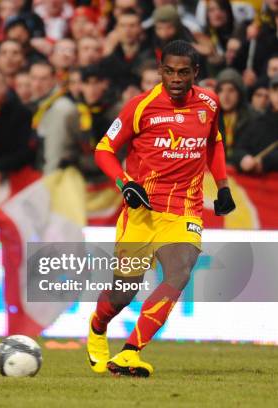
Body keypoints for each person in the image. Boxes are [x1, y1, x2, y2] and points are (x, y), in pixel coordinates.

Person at [87, 40, 235, 376]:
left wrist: (222, 186)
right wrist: (125, 184)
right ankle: (97, 328)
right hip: (143, 211)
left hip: (185, 209)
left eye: (184, 72)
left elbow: (214, 142)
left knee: (180, 272)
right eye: (169, 71)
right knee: (123, 292)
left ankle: (129, 352)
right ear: (160, 71)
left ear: (196, 73)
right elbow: (103, 149)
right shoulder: (140, 107)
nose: (176, 78)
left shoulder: (209, 104)